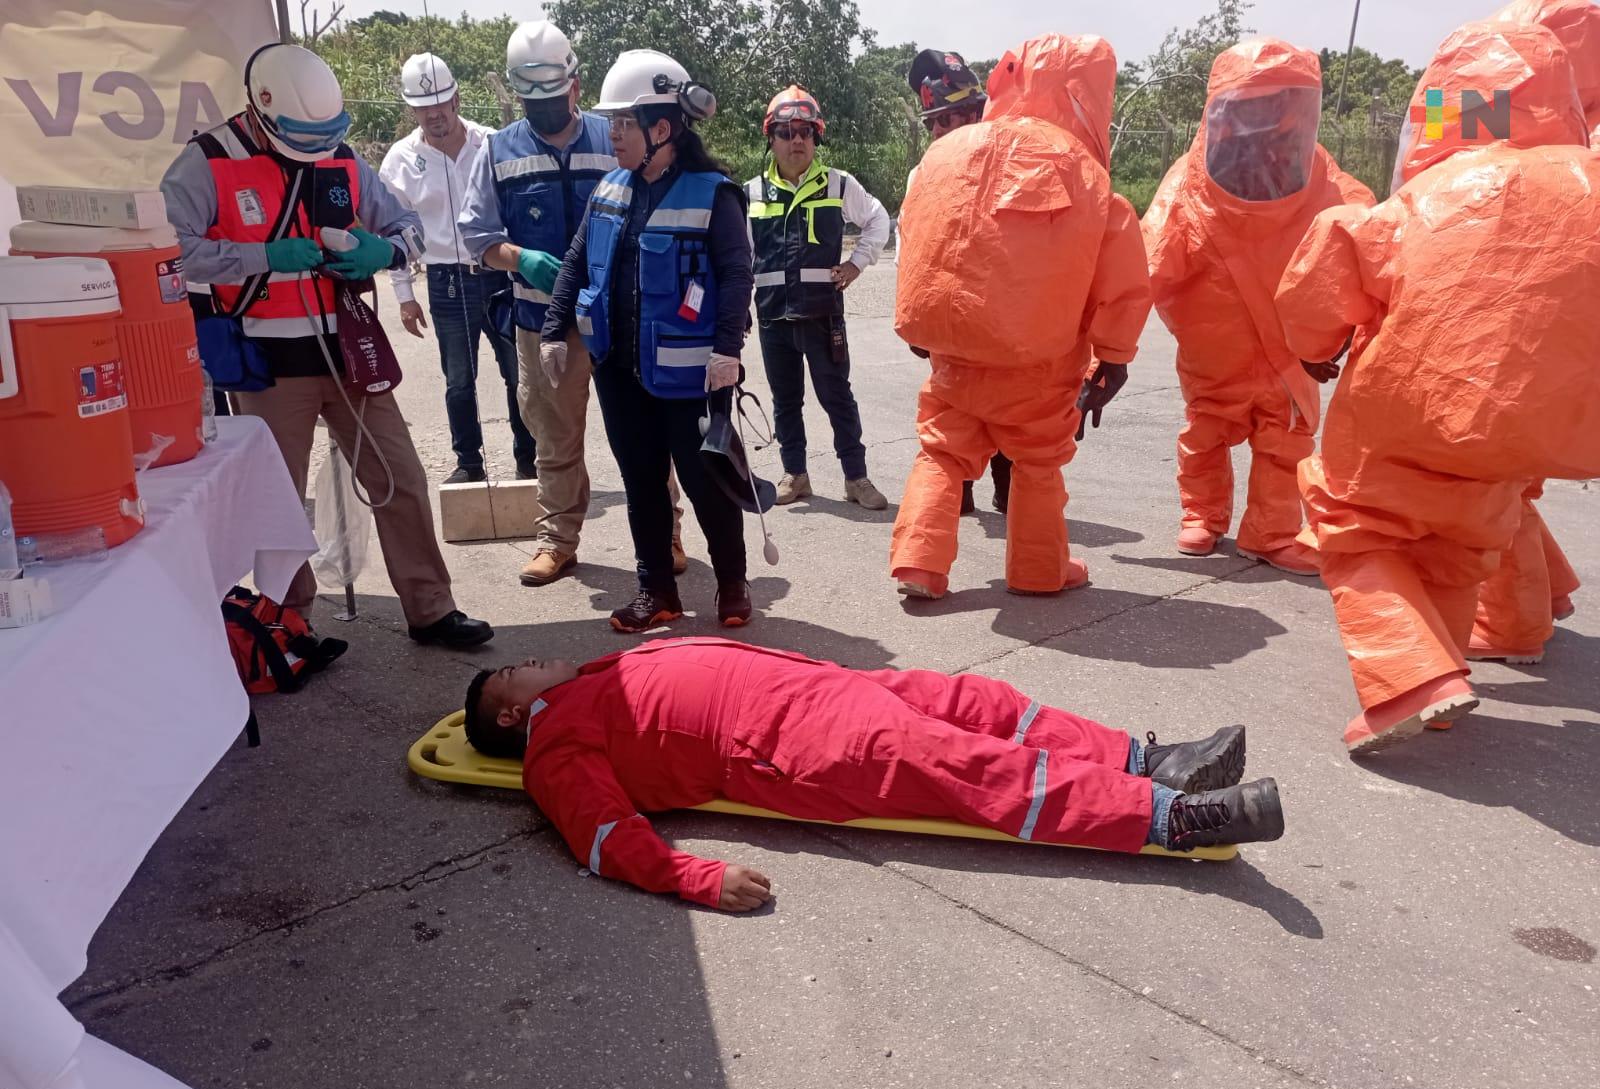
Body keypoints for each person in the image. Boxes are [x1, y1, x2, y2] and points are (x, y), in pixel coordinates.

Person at [1276, 20, 1600, 754]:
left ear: (1444, 105)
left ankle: (1411, 681)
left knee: (1352, 528)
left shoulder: (1425, 200)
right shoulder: (1588, 190)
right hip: (1521, 440)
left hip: (1405, 416)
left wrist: (1316, 351)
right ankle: (1441, 675)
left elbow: (1321, 286)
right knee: (1460, 552)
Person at [463, 638, 1285, 909]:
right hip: (791, 739)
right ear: (509, 715)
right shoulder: (553, 746)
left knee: (977, 701)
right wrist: (695, 878)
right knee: (972, 768)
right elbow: (602, 835)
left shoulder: (592, 675)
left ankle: (1149, 759)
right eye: (510, 675)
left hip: (818, 688)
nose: (524, 663)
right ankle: (1171, 817)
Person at [161, 42, 492, 648]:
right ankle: (288, 622)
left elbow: (407, 226)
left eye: (327, 137)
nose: (318, 149)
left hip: (347, 352)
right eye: (303, 137)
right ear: (261, 109)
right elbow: (170, 252)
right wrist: (262, 257)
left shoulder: (341, 158)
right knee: (277, 502)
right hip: (267, 363)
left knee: (401, 477)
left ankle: (431, 608)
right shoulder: (207, 160)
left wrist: (385, 251)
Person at [891, 34, 1151, 600]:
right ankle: (1038, 572)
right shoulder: (1087, 177)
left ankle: (919, 561)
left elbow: (916, 236)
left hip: (953, 353)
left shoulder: (946, 155)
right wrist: (1114, 358)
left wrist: (921, 322)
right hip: (1038, 363)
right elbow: (1123, 278)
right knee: (1036, 462)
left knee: (942, 450)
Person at [460, 21, 687, 587]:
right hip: (541, 321)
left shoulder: (614, 136)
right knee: (554, 436)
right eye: (531, 103)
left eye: (554, 100)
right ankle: (557, 540)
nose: (544, 111)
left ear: (576, 86)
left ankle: (668, 533)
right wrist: (520, 259)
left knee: (645, 430)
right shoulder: (497, 149)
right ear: (518, 96)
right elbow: (476, 236)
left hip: (620, 320)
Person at [541, 51, 757, 633]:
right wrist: (553, 328)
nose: (611, 134)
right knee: (641, 483)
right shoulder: (609, 189)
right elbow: (576, 259)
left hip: (692, 373)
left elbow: (737, 274)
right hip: (620, 370)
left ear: (662, 129)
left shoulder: (715, 194)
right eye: (611, 123)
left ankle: (733, 582)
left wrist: (727, 351)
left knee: (704, 482)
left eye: (624, 124)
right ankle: (655, 591)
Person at [1142, 39, 1375, 576]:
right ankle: (1202, 516)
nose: (1264, 124)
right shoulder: (1188, 184)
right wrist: (1103, 353)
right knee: (1206, 434)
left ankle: (1269, 531)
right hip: (1219, 349)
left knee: (1283, 446)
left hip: (1289, 355)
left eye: (1277, 107)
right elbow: (1145, 270)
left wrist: (1338, 332)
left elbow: (1361, 245)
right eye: (1254, 108)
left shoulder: (1321, 176)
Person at [1466, 0, 1600, 660]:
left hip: (1510, 317)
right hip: (1543, 322)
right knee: (1509, 478)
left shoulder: (1491, 92)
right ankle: (1547, 593)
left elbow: (1437, 169)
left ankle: (1513, 627)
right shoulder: (1567, 125)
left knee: (1493, 479)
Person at [379, 53, 536, 486]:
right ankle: (469, 462)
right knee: (459, 381)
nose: (434, 116)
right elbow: (393, 227)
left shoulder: (492, 144)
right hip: (446, 280)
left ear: (456, 99)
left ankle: (529, 459)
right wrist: (405, 297)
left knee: (518, 373)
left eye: (441, 105)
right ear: (413, 110)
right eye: (424, 109)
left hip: (499, 273)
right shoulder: (400, 160)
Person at [746, 87, 893, 511]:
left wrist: (857, 264)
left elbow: (878, 219)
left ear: (817, 137)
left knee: (837, 398)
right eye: (788, 132)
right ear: (771, 138)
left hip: (822, 316)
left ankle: (856, 478)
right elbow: (740, 256)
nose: (798, 140)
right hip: (774, 318)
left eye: (806, 132)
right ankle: (796, 474)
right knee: (785, 400)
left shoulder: (838, 184)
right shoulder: (751, 193)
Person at [904, 48, 1011, 519]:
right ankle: (956, 496)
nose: (936, 133)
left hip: (1000, 314)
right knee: (950, 412)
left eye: (944, 120)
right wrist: (914, 322)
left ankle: (1011, 495)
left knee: (1011, 412)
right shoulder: (921, 174)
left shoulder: (1010, 167)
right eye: (932, 123)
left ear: (974, 114)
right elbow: (913, 246)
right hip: (947, 317)